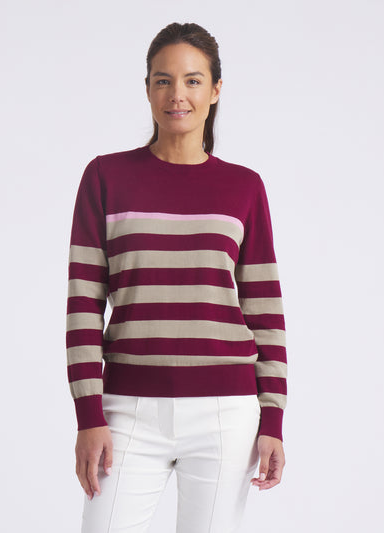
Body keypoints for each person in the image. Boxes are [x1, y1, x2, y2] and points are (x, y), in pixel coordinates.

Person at [66, 22, 288, 533]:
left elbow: (265, 309)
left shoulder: (244, 187)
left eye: (192, 80)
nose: (177, 95)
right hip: (127, 409)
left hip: (225, 413)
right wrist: (89, 414)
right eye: (163, 80)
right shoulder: (105, 177)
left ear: (215, 90)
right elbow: (83, 303)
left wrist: (273, 419)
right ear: (147, 89)